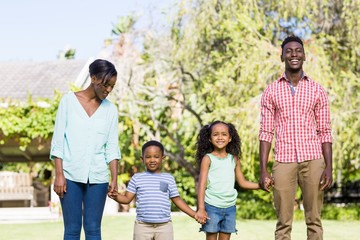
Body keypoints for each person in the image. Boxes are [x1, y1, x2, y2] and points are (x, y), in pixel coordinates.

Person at [258, 35, 333, 240]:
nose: (294, 54)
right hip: (283, 160)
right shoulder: (272, 90)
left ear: (304, 56)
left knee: (314, 220)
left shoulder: (317, 90)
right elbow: (265, 132)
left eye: (298, 50)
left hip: (313, 159)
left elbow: (325, 130)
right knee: (283, 222)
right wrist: (263, 169)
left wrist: (328, 166)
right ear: (282, 56)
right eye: (289, 51)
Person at [50, 59, 121, 240]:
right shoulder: (68, 101)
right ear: (93, 78)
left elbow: (112, 146)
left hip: (98, 177)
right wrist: (59, 174)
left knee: (93, 228)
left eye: (112, 86)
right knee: (72, 229)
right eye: (105, 85)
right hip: (70, 175)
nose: (108, 90)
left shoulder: (110, 110)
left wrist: (114, 177)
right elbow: (58, 141)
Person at [108, 140, 202, 240]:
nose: (152, 160)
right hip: (142, 226)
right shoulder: (137, 178)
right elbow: (127, 199)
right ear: (142, 159)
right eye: (148, 157)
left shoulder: (168, 179)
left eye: (156, 156)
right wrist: (115, 196)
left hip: (164, 226)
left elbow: (177, 200)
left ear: (162, 158)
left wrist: (194, 214)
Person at [196, 120, 265, 240]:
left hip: (230, 208)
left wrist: (261, 185)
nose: (220, 137)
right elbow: (201, 185)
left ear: (230, 138)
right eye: (215, 134)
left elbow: (242, 182)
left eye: (224, 134)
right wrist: (201, 208)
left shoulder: (234, 159)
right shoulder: (208, 159)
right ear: (209, 138)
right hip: (211, 206)